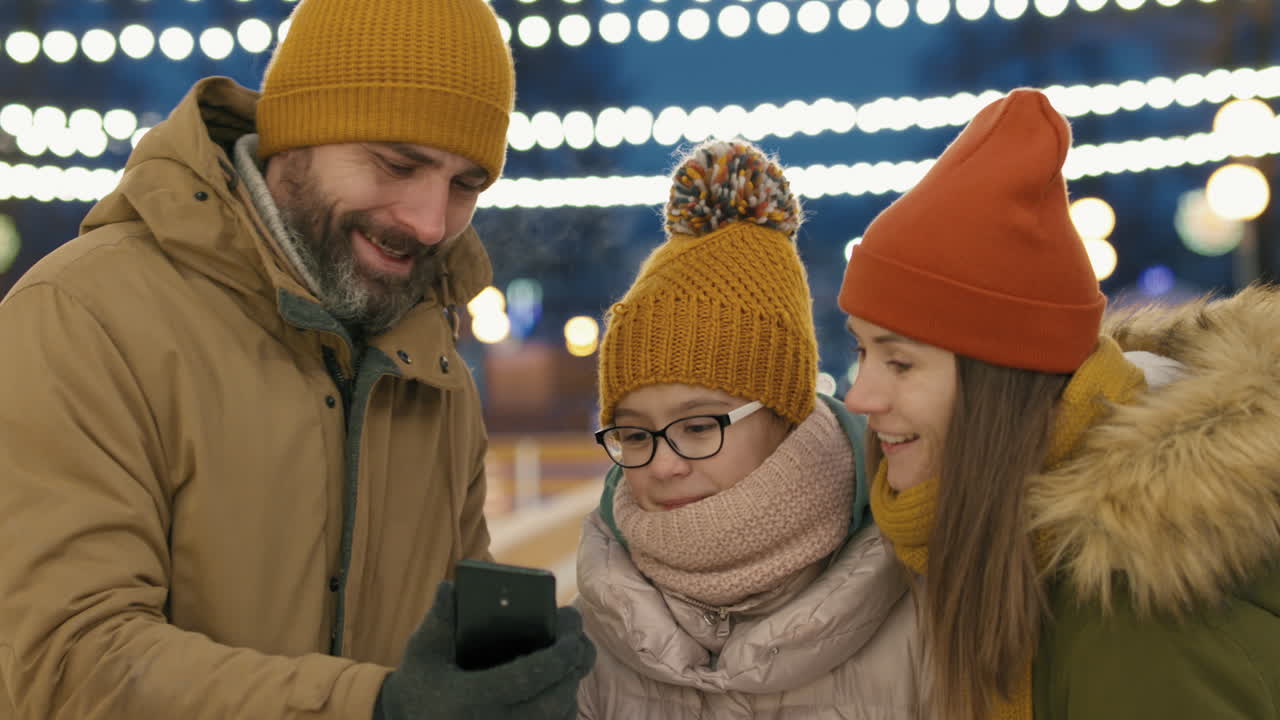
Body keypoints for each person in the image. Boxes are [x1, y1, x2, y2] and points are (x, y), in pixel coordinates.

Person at [0, 0, 594, 718]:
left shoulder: (426, 355)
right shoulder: (84, 316)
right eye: (398, 163)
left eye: (465, 185)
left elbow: (446, 616)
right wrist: (374, 708)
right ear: (297, 136)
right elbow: (66, 662)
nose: (430, 221)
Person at [839, 87, 1280, 720]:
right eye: (860, 353)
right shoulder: (1005, 559)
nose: (860, 396)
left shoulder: (1132, 614)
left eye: (900, 362)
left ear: (1001, 382)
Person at [574, 139, 921, 719]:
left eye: (698, 424)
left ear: (786, 416)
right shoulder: (583, 639)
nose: (663, 465)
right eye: (634, 435)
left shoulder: (926, 610)